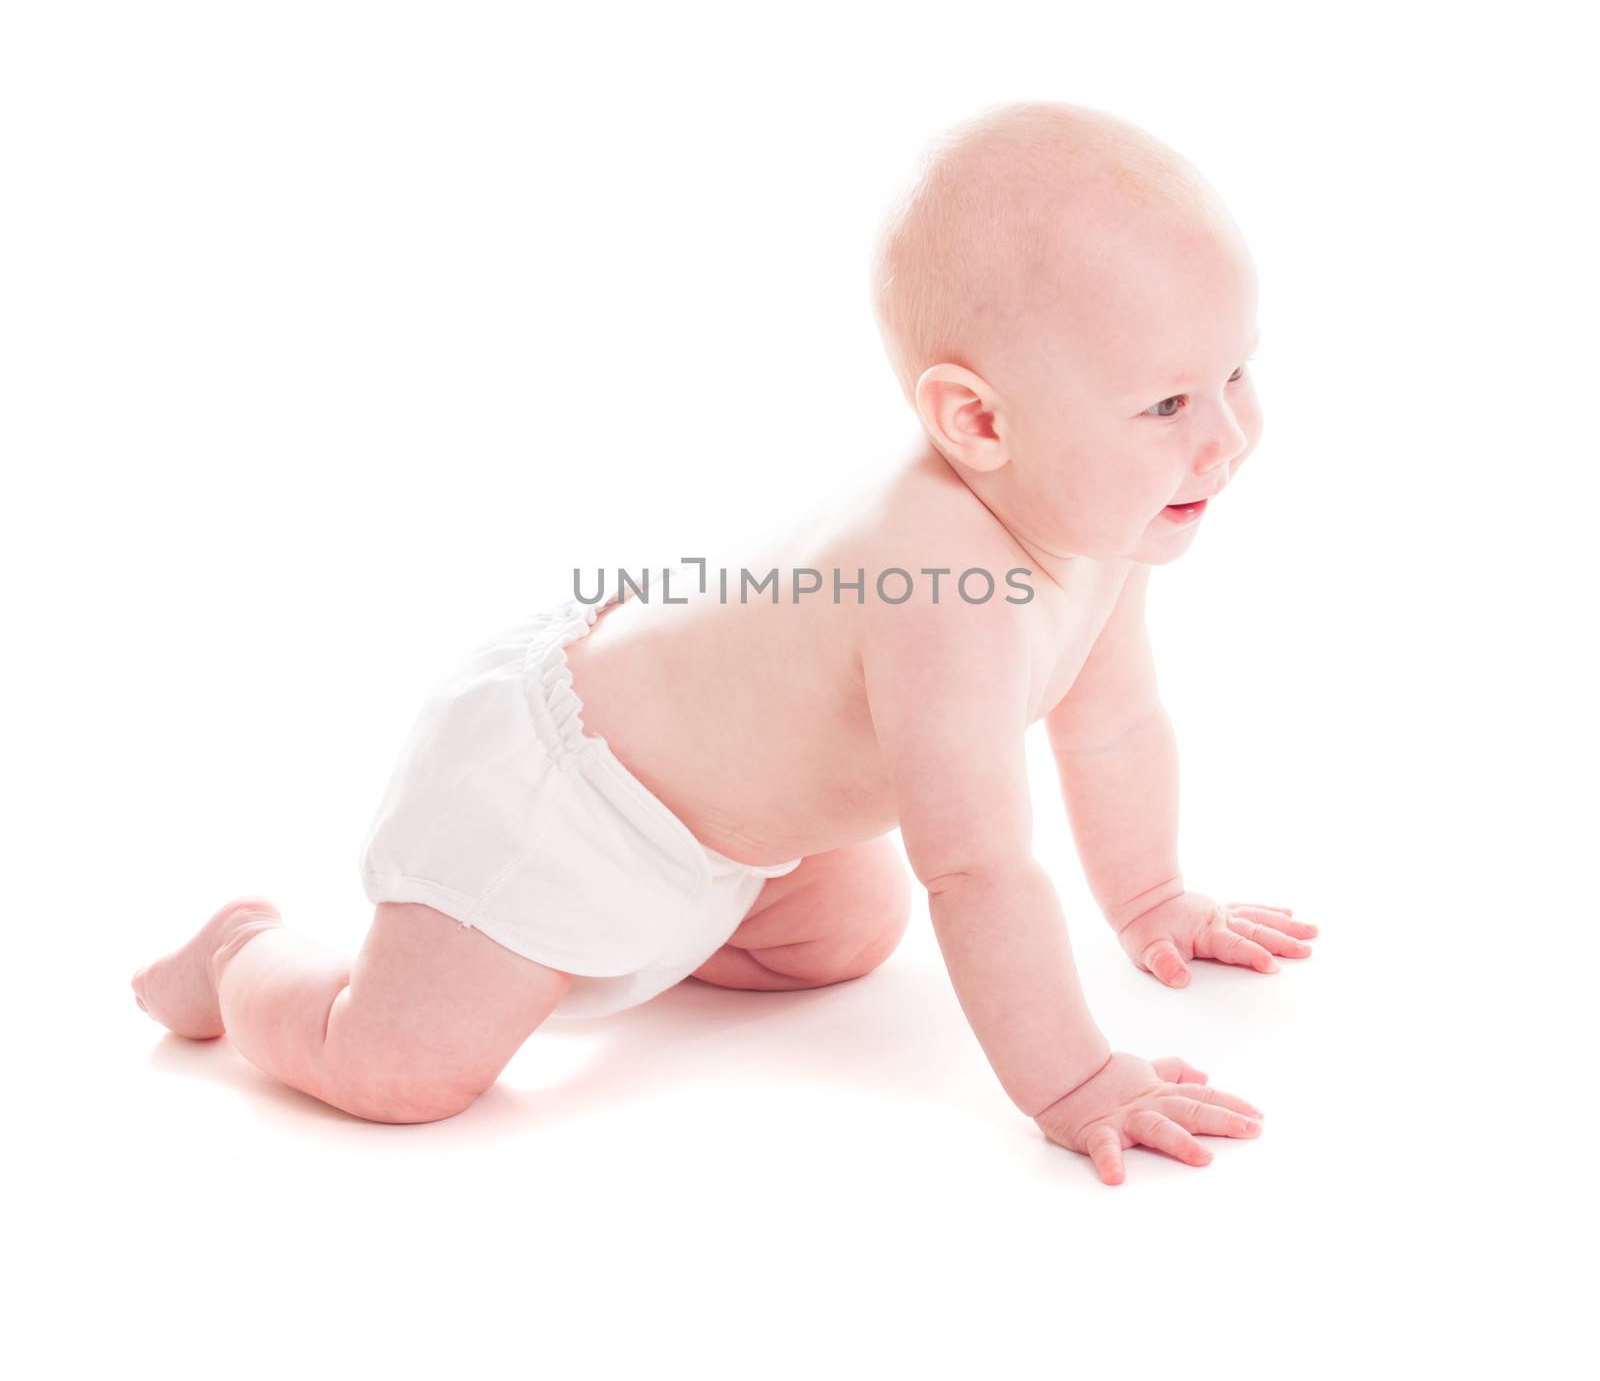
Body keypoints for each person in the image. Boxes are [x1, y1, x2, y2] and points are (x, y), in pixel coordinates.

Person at [132, 100, 1315, 1184]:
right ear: (978, 420)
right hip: (564, 795)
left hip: (736, 834)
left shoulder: (1094, 512)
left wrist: (1153, 899)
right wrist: (1072, 1077)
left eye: (1236, 371)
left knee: (847, 937)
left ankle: (654, 928)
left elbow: (1111, 725)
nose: (1226, 438)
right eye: (1167, 404)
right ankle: (245, 955)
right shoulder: (944, 578)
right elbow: (977, 866)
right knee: (400, 1070)